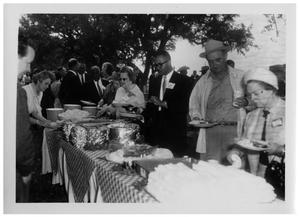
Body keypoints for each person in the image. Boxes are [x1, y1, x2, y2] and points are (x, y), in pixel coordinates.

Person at [227, 68, 285, 198]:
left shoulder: (291, 112)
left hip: (284, 183)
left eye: (257, 93)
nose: (252, 98)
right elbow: (246, 142)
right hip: (257, 181)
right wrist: (235, 152)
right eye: (250, 94)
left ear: (272, 90)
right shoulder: (251, 116)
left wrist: (280, 150)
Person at [189, 39, 248, 163]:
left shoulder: (241, 77)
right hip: (211, 132)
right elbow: (194, 103)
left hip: (234, 132)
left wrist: (246, 102)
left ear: (225, 56)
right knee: (210, 172)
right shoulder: (203, 81)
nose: (214, 65)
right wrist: (196, 117)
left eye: (218, 60)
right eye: (211, 62)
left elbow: (255, 100)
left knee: (234, 172)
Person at [146, 50, 191, 157]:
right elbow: (151, 104)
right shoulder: (154, 80)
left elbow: (184, 106)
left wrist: (163, 104)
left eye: (160, 64)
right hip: (156, 132)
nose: (157, 67)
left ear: (169, 62)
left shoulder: (184, 81)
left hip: (174, 131)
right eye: (155, 65)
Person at [16, 39, 35, 202]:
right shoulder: (17, 91)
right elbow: (21, 138)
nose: (28, 69)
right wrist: (26, 170)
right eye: (27, 62)